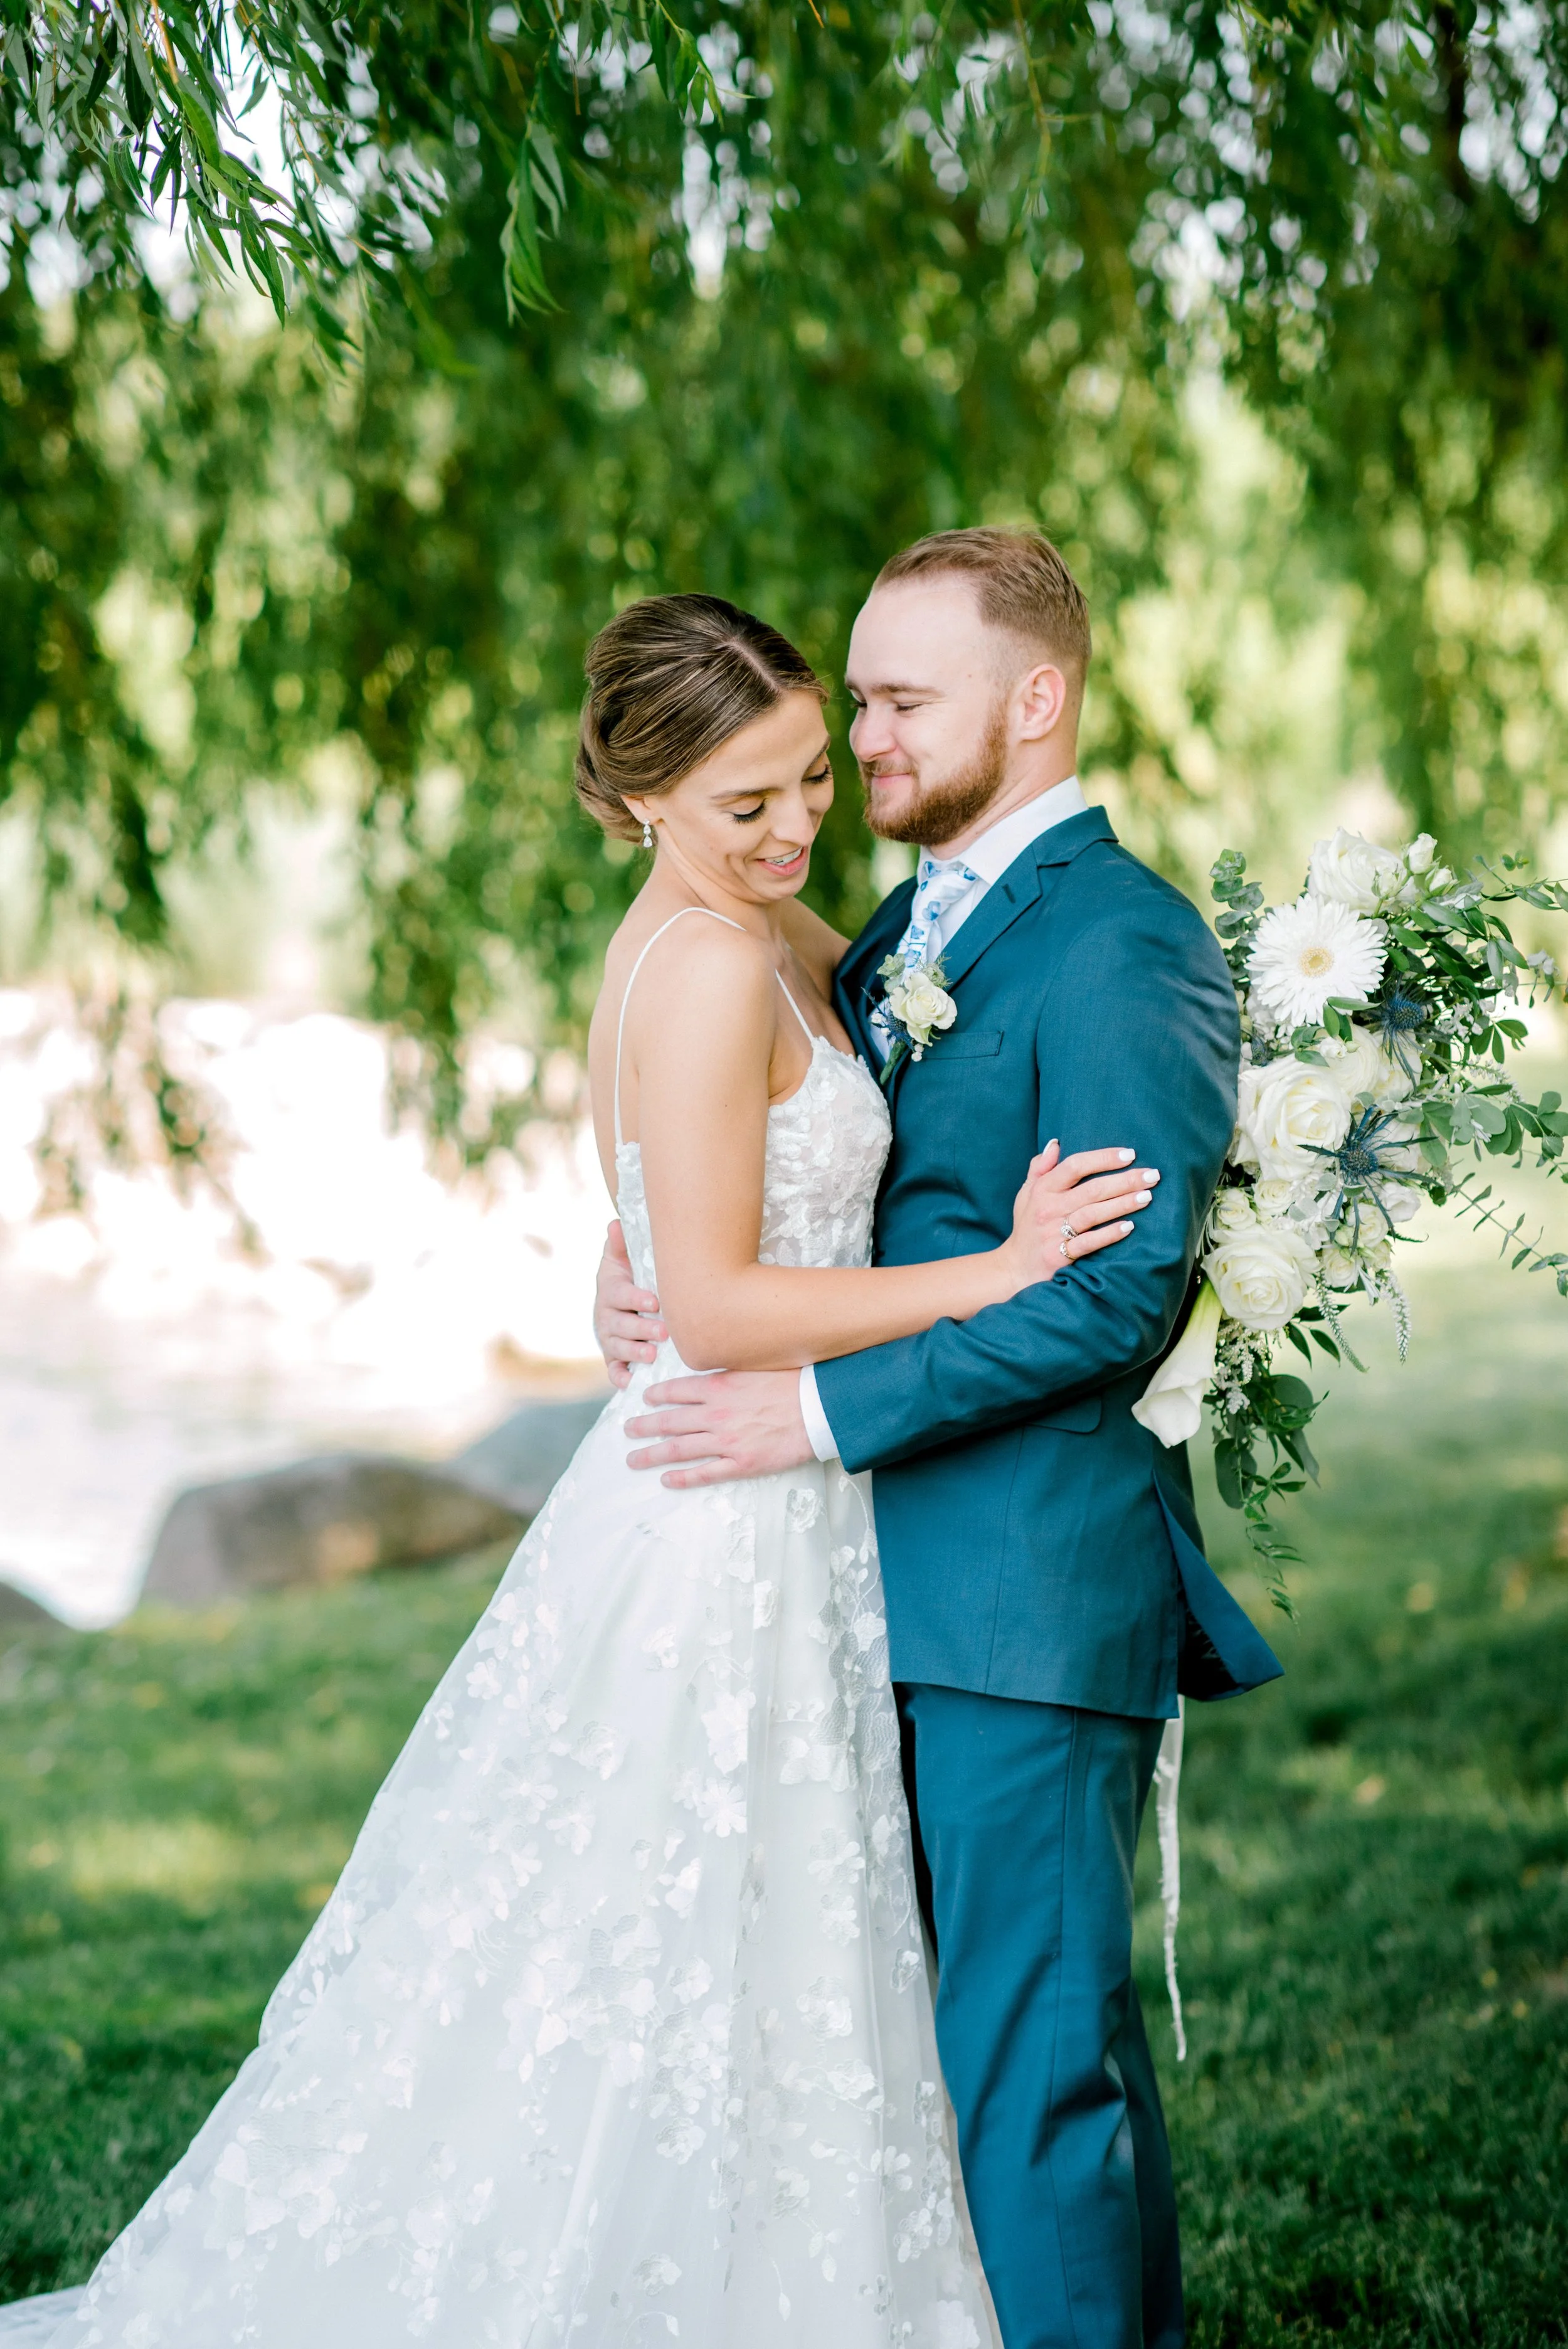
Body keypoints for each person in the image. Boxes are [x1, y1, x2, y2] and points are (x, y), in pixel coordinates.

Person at [18, 591, 1157, 2349]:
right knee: (679, 1936)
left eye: (800, 780)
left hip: (753, 1484)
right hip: (729, 1502)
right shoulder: (703, 958)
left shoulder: (756, 928)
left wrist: (615, 1266)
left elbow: (663, 1225)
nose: (792, 828)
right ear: (638, 802)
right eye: (744, 806)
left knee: (748, 1937)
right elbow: (711, 1295)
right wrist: (991, 1270)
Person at [593, 531, 1285, 2349]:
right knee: (932, 2062)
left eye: (896, 706)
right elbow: (767, 1127)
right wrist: (645, 1245)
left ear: (1034, 701)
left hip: (1020, 1597)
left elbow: (1106, 1300)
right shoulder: (901, 930)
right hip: (856, 1582)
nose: (862, 753)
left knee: (1034, 2072)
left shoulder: (1126, 944)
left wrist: (814, 1406)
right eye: (858, 706)